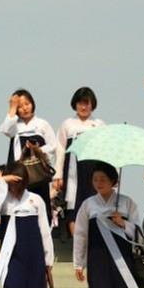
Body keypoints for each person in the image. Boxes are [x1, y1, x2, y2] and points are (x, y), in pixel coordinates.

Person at [74, 162, 140, 288]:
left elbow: (138, 234)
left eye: (103, 179)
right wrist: (79, 263)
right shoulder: (88, 204)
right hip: (97, 258)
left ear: (114, 181)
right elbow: (80, 235)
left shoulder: (127, 203)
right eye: (95, 179)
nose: (99, 183)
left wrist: (123, 223)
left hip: (122, 259)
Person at [0, 89, 57, 224]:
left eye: (27, 104)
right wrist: (12, 108)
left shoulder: (42, 124)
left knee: (41, 206)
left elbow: (53, 146)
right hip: (20, 173)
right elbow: (5, 130)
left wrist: (37, 149)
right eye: (20, 106)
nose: (24, 108)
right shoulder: (15, 125)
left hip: (38, 174)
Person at [53, 86, 105, 236]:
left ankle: (92, 242)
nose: (83, 107)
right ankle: (78, 245)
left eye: (87, 103)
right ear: (75, 104)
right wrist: (58, 174)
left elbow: (105, 150)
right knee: (72, 207)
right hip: (72, 171)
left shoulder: (99, 124)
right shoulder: (67, 124)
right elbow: (60, 148)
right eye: (80, 103)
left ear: (92, 104)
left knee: (94, 206)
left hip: (94, 171)